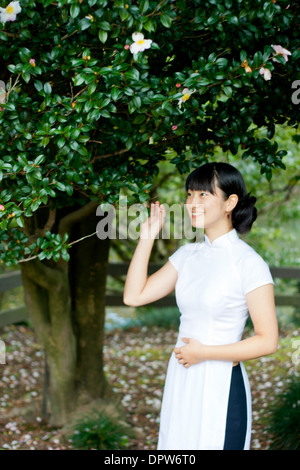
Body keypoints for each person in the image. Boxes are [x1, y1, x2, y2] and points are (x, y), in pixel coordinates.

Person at [123, 162, 278, 450]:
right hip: (183, 376)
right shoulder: (187, 255)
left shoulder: (248, 263)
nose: (192, 203)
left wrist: (203, 353)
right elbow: (134, 296)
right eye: (190, 194)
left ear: (230, 202)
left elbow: (267, 341)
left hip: (220, 382)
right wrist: (147, 236)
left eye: (203, 195)